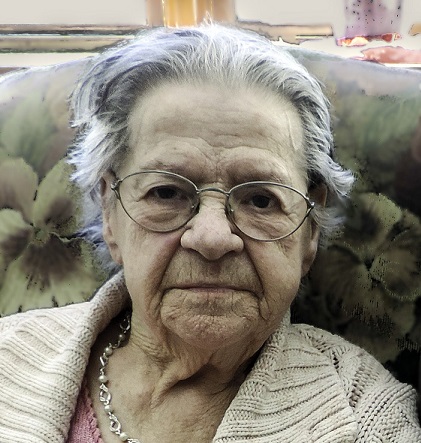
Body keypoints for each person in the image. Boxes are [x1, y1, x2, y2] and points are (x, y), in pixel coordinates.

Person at [0, 23, 420, 443]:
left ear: (309, 231)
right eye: (166, 192)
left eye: (261, 200)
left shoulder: (366, 415)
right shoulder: (8, 353)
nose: (213, 238)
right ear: (111, 213)